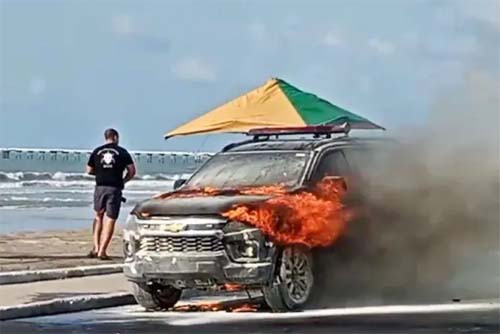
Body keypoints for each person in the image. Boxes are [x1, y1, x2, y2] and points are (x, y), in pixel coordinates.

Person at [86, 128, 136, 260]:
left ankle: (96, 248)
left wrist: (101, 173)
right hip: (114, 188)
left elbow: (89, 170)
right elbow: (132, 171)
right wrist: (123, 180)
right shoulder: (122, 152)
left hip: (100, 186)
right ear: (115, 137)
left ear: (106, 137)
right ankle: (102, 250)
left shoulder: (97, 151)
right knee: (111, 218)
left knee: (98, 216)